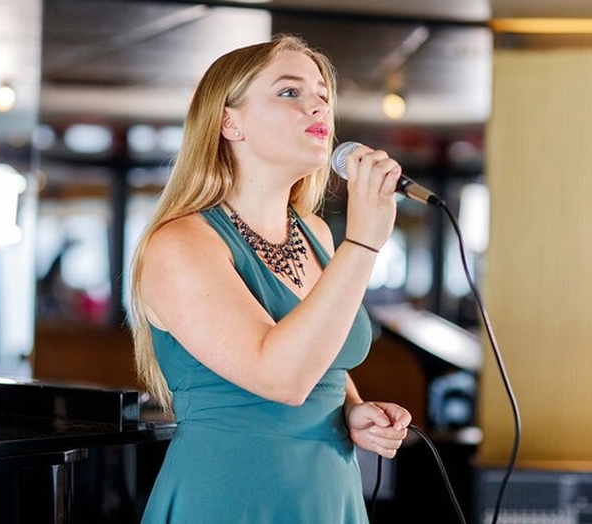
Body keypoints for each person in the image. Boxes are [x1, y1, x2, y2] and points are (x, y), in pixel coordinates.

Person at [130, 34, 412, 523]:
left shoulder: (316, 233)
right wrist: (364, 243)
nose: (317, 106)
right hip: (231, 496)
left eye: (322, 96)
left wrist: (352, 410)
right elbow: (280, 378)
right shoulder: (179, 245)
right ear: (228, 123)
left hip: (327, 494)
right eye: (290, 92)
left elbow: (320, 363)